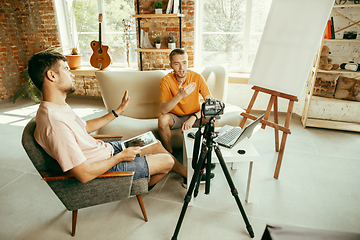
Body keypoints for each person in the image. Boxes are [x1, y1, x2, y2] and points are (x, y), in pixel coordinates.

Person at [28, 51, 174, 189]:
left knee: (153, 141)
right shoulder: (54, 123)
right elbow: (84, 174)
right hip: (104, 166)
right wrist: (120, 157)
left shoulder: (56, 107)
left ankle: (187, 173)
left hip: (106, 151)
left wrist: (117, 112)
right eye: (66, 69)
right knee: (168, 161)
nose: (71, 75)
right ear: (52, 75)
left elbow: (84, 127)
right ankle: (135, 189)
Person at [158, 49, 215, 186]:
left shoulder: (197, 77)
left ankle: (205, 156)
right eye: (177, 64)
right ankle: (171, 156)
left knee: (212, 118)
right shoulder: (166, 80)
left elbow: (210, 104)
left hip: (194, 116)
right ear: (171, 65)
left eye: (184, 63)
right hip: (175, 116)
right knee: (162, 120)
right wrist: (179, 95)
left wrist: (194, 117)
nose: (182, 68)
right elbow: (163, 110)